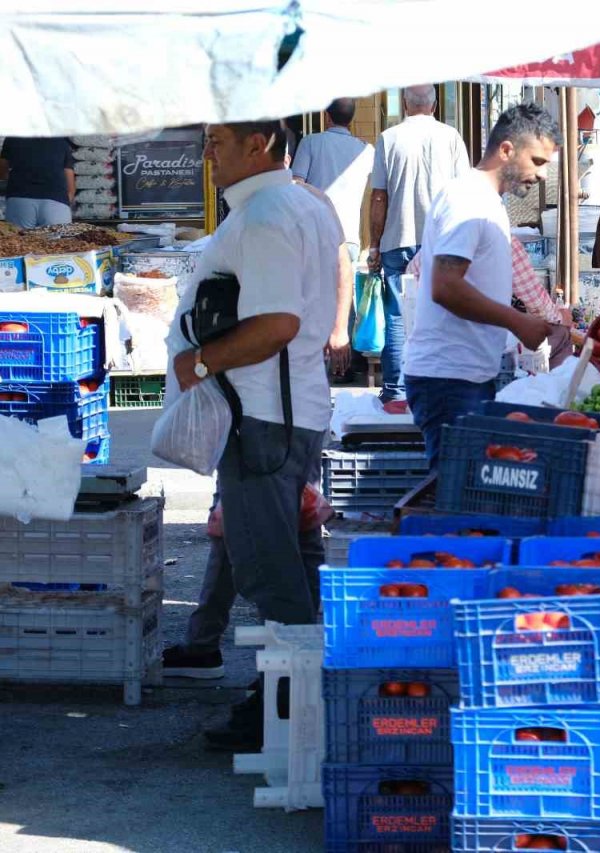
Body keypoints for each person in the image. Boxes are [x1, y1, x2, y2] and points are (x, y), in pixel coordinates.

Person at [164, 120, 340, 748]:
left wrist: (200, 362)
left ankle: (290, 713)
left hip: (264, 417)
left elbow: (278, 323)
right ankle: (282, 700)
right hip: (283, 413)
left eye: (217, 139)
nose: (206, 151)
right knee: (283, 560)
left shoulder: (267, 214)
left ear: (259, 141)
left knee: (268, 570)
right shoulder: (300, 203)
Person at [402, 104, 558, 468]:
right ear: (506, 150)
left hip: (466, 375)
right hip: (449, 379)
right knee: (454, 493)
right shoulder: (468, 199)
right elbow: (445, 286)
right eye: (537, 161)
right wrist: (517, 322)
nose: (541, 175)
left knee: (461, 488)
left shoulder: (485, 200)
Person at [369, 84, 470, 404]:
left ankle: (397, 392)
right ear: (435, 105)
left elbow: (379, 196)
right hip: (441, 242)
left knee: (397, 317)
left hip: (397, 240)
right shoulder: (451, 137)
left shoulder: (388, 138)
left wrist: (374, 243)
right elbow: (462, 194)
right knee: (440, 314)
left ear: (405, 103)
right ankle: (437, 388)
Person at [291, 98, 374, 263]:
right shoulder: (366, 150)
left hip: (315, 235)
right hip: (349, 237)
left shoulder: (310, 142)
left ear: (327, 116)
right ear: (351, 118)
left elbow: (295, 185)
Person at [511, 236, 573, 369]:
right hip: (487, 342)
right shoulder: (500, 233)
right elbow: (536, 302)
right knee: (561, 332)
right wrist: (560, 317)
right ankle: (553, 386)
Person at [0, 137, 75, 228]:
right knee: (58, 241)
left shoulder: (12, 138)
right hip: (56, 200)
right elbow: (68, 174)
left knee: (19, 241)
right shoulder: (62, 140)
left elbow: (2, 172)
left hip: (20, 199)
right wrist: (66, 199)